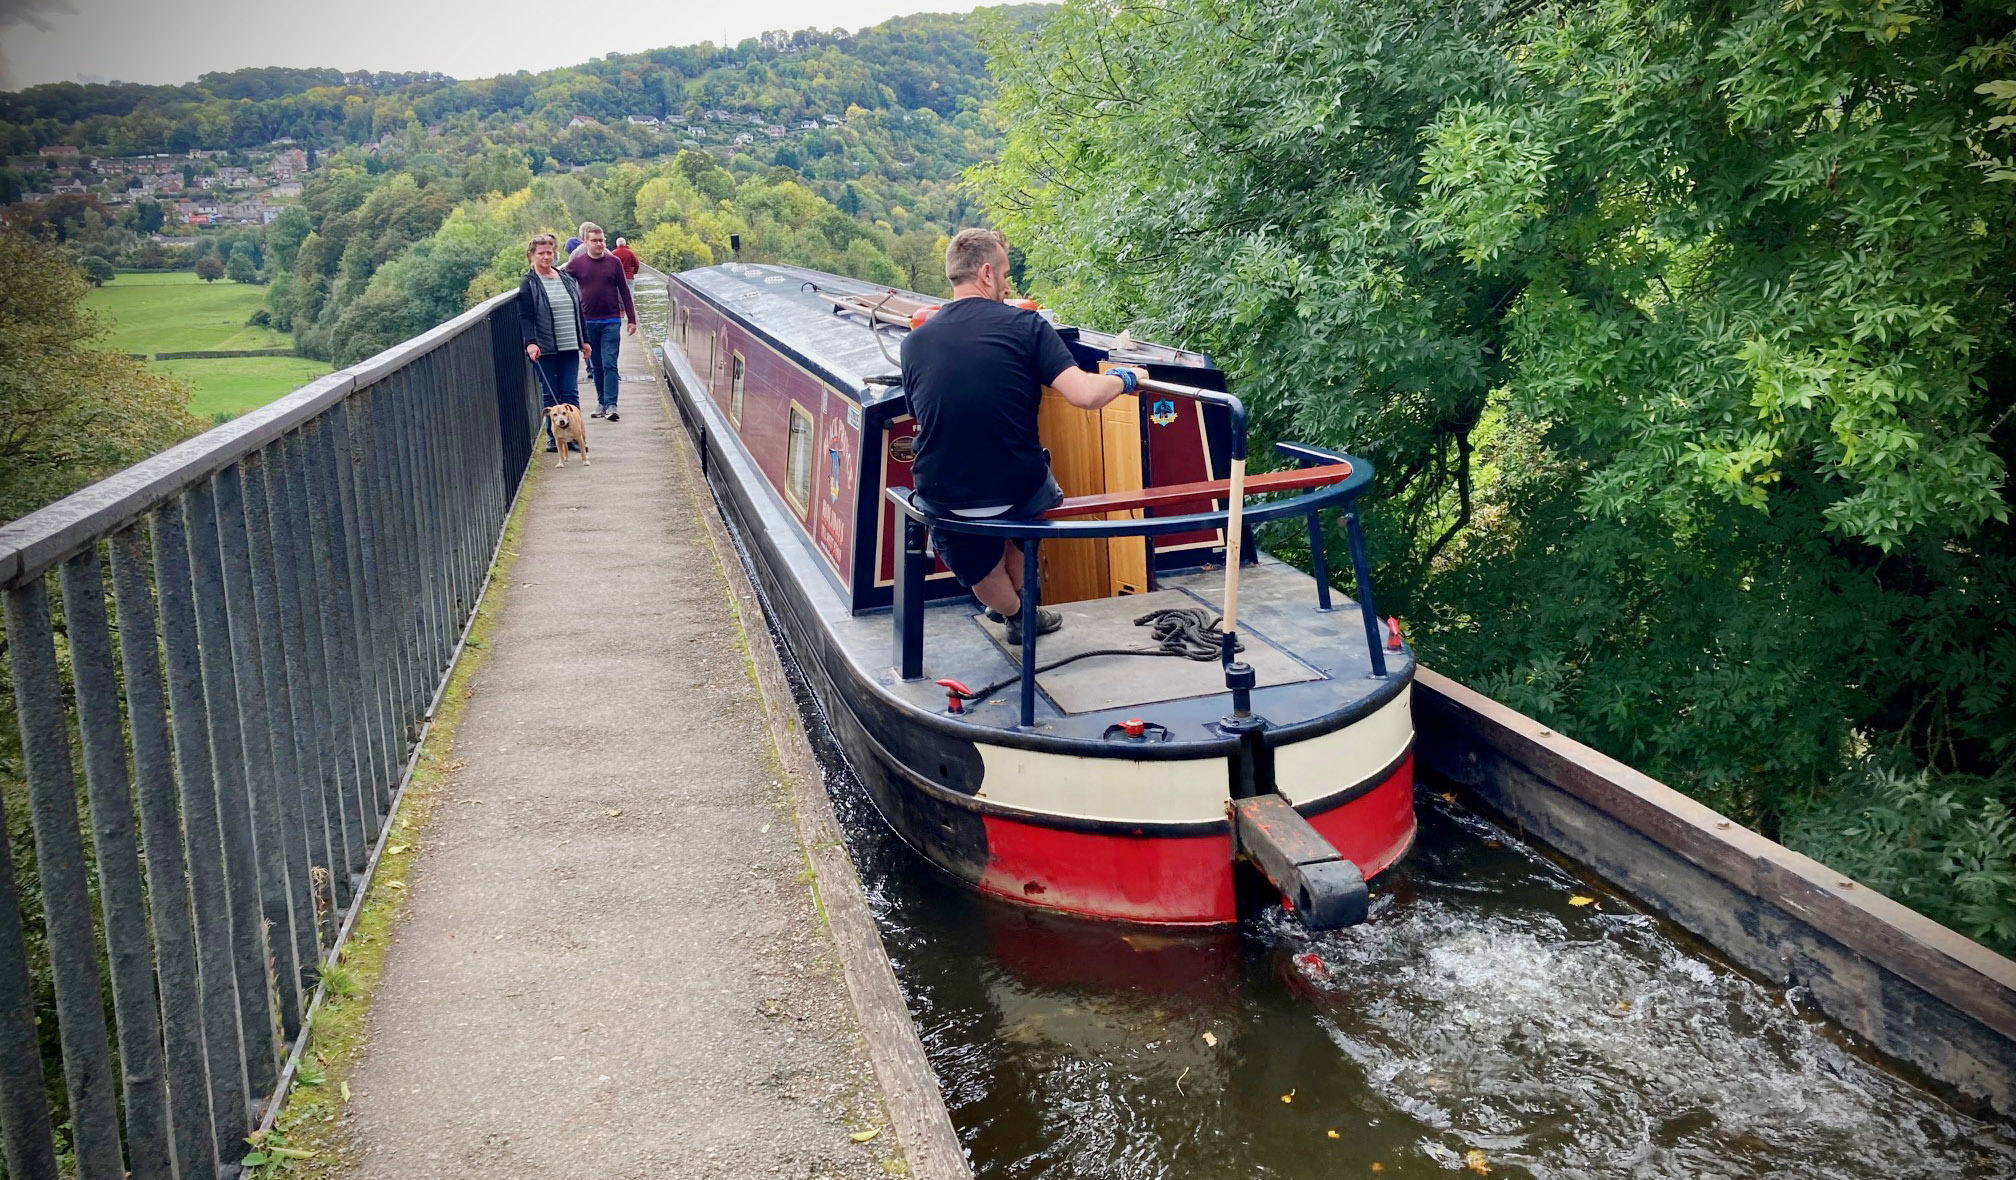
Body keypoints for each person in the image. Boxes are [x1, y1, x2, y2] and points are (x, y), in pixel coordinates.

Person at [900, 228, 1145, 644]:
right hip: (1018, 486)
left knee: (982, 571)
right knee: (1033, 494)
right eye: (1005, 273)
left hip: (945, 491)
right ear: (986, 274)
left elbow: (925, 413)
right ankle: (1022, 611)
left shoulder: (914, 342)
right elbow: (1085, 395)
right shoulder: (1025, 325)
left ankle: (1014, 611)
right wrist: (1126, 377)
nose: (1008, 283)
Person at [516, 232, 591, 453]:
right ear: (531, 255)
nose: (546, 257)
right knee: (551, 394)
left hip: (569, 344)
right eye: (541, 253)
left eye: (550, 252)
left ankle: (575, 436)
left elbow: (579, 311)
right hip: (545, 347)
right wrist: (531, 342)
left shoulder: (566, 278)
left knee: (570, 393)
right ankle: (555, 438)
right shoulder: (529, 283)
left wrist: (584, 340)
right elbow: (526, 316)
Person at [563, 222, 637, 422]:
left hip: (611, 320)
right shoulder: (577, 264)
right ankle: (601, 402)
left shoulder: (613, 263)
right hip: (588, 321)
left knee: (610, 363)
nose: (599, 244)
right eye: (594, 241)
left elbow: (624, 290)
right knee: (596, 365)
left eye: (602, 240)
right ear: (585, 242)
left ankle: (612, 405)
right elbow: (561, 280)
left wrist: (632, 319)